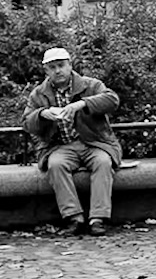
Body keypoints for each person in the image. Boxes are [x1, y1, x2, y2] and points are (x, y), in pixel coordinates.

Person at [26, 47, 124, 236]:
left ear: (70, 65)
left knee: (103, 162)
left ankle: (98, 218)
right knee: (55, 165)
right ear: (46, 71)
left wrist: (84, 103)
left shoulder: (91, 85)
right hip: (60, 146)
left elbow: (112, 100)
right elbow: (26, 122)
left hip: (94, 143)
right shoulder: (38, 94)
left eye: (61, 65)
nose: (58, 71)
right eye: (52, 67)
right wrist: (42, 114)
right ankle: (74, 218)